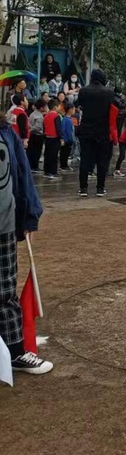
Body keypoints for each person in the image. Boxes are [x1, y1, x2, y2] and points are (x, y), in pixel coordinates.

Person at [0, 112, 51, 375]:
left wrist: (30, 216)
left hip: (4, 225)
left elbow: (22, 175)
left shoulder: (7, 133)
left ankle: (15, 352)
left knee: (5, 291)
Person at [76, 68, 118, 198]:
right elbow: (114, 106)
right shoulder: (108, 92)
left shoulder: (83, 91)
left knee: (85, 159)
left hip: (86, 130)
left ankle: (83, 188)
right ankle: (100, 188)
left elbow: (79, 104)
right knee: (102, 160)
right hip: (103, 131)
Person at [43, 100, 62, 180]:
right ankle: (53, 172)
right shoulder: (56, 116)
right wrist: (61, 138)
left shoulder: (45, 116)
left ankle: (46, 171)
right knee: (54, 156)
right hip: (54, 138)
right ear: (55, 107)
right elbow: (58, 128)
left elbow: (44, 127)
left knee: (47, 155)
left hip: (47, 137)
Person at [27, 99, 46, 173]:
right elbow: (37, 127)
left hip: (32, 135)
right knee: (37, 152)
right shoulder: (40, 116)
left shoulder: (32, 114)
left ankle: (32, 165)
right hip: (38, 135)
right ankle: (35, 166)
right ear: (41, 108)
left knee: (31, 151)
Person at [59, 101, 76, 171]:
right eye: (74, 109)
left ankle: (64, 165)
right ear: (70, 110)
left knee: (66, 153)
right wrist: (69, 139)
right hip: (67, 140)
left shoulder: (66, 119)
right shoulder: (67, 120)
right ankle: (63, 165)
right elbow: (66, 131)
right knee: (65, 153)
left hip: (67, 139)